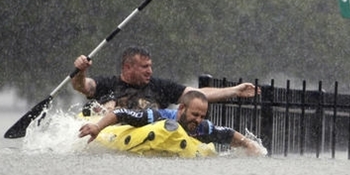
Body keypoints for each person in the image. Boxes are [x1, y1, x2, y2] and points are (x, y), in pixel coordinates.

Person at [71, 46, 260, 112]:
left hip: (148, 134)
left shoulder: (160, 86)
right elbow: (82, 86)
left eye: (151, 66)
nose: (150, 71)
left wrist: (234, 90)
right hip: (115, 133)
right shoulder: (107, 84)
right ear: (128, 67)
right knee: (108, 105)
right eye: (145, 67)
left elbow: (196, 94)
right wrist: (80, 70)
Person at [79, 90, 265, 156]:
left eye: (202, 116)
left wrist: (249, 144)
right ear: (181, 109)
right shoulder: (157, 116)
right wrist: (97, 127)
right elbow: (121, 113)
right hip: (132, 136)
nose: (198, 120)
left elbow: (228, 133)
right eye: (194, 114)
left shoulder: (202, 127)